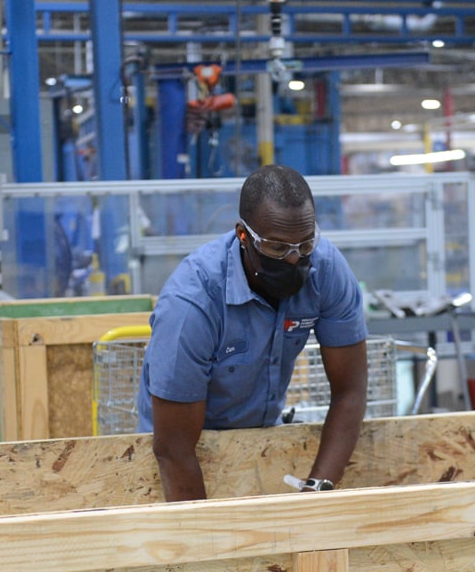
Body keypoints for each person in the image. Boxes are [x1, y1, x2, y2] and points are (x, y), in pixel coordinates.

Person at [138, 164, 368, 501]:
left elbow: (350, 392)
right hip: (178, 458)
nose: (293, 260)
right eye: (277, 248)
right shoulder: (192, 304)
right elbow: (173, 449)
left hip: (261, 444)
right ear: (243, 236)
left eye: (305, 245)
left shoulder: (326, 270)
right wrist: (205, 531)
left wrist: (316, 493)